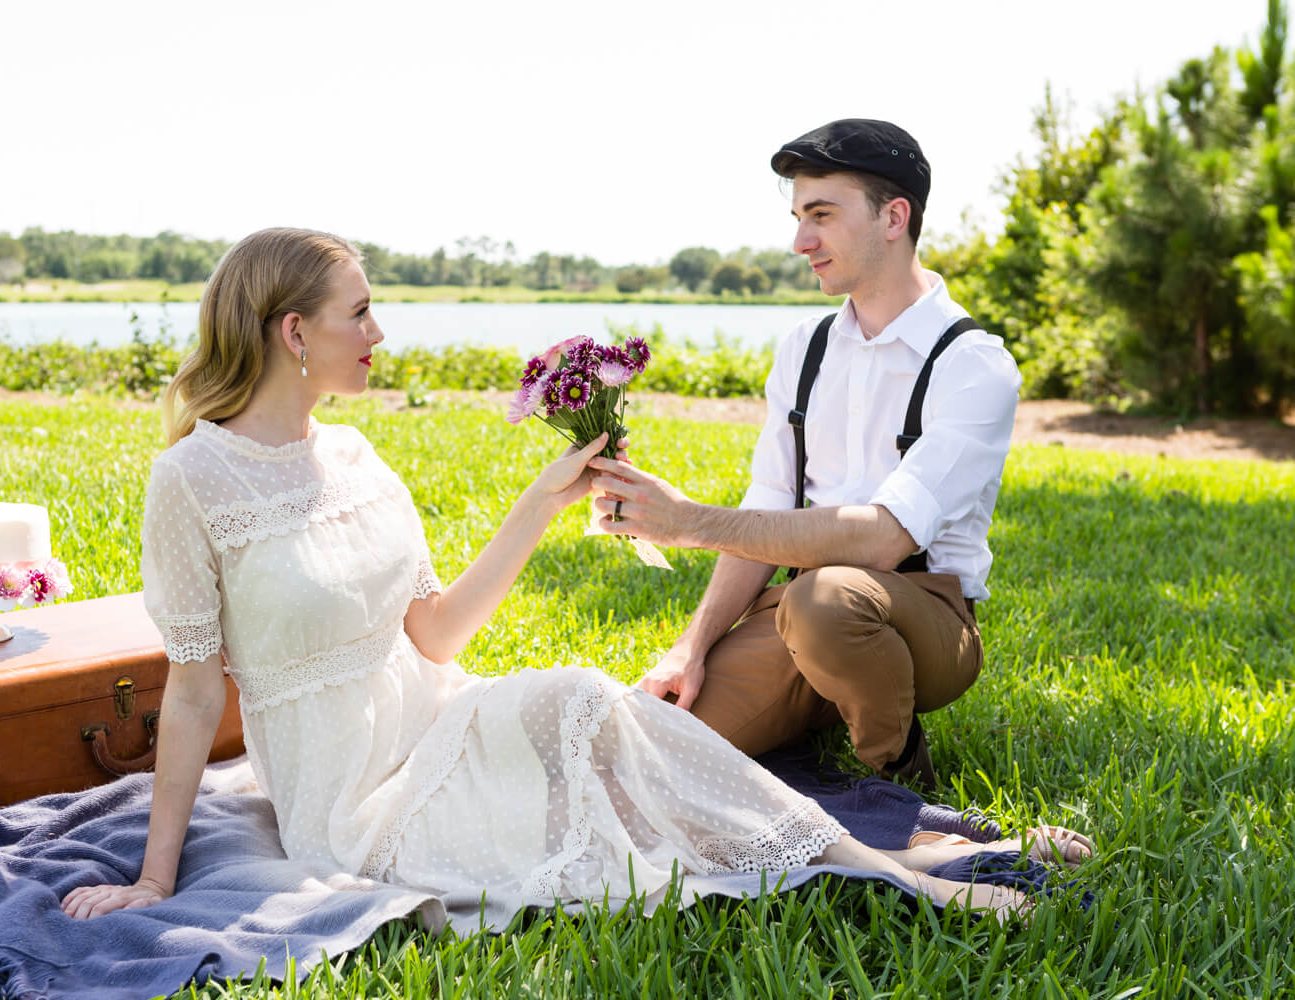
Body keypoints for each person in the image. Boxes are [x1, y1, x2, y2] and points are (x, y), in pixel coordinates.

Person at [61, 227, 1085, 925]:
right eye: (360, 313)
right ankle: (898, 871)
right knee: (612, 805)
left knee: (596, 709)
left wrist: (543, 502)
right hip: (349, 800)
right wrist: (157, 876)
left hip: (436, 719)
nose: (379, 336)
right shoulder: (190, 480)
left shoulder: (359, 461)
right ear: (295, 333)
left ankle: (902, 859)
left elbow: (436, 637)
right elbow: (194, 694)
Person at [590, 120, 1021, 790]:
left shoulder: (974, 366)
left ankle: (900, 776)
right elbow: (767, 509)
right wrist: (691, 648)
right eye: (797, 217)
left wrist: (686, 522)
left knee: (827, 600)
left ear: (893, 216)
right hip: (794, 617)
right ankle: (826, 702)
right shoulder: (804, 348)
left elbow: (882, 540)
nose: (800, 242)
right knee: (646, 759)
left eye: (821, 215)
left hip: (925, 618)